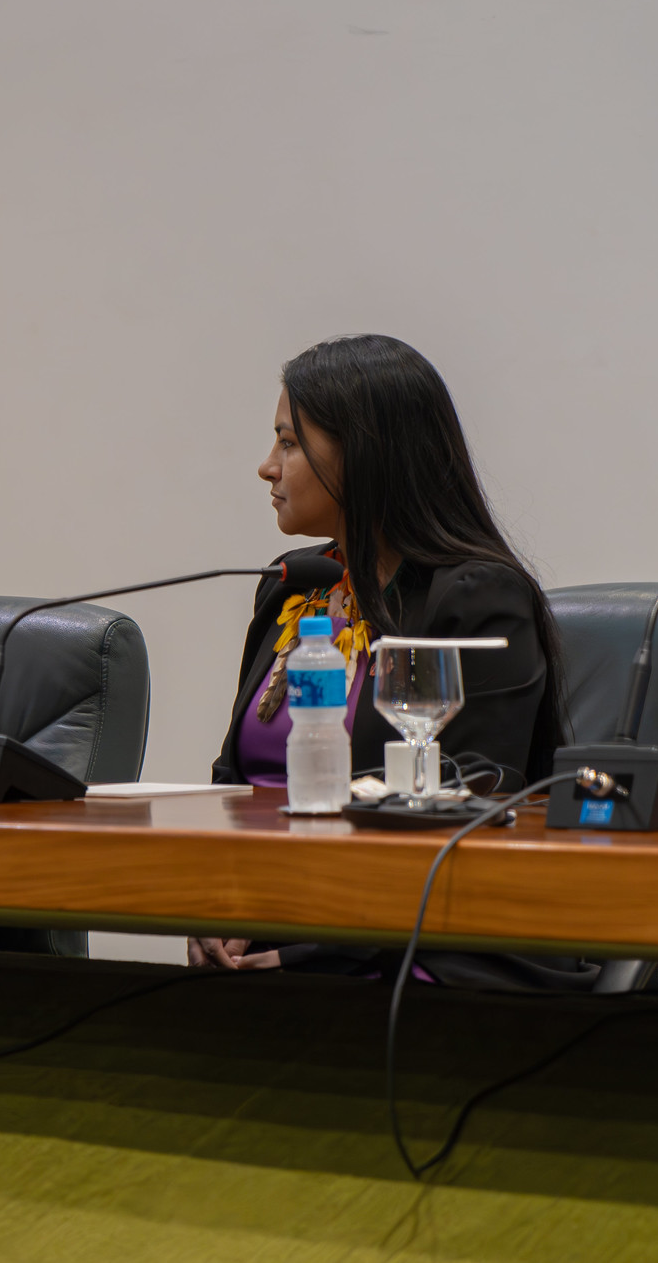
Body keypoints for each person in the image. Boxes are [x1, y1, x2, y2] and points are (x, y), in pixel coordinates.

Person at [197, 334, 576, 983]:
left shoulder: (478, 600)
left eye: (289, 442)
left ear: (365, 456)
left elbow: (473, 808)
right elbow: (233, 782)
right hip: (276, 931)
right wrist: (210, 903)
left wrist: (312, 948)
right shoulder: (294, 587)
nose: (267, 466)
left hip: (421, 945)